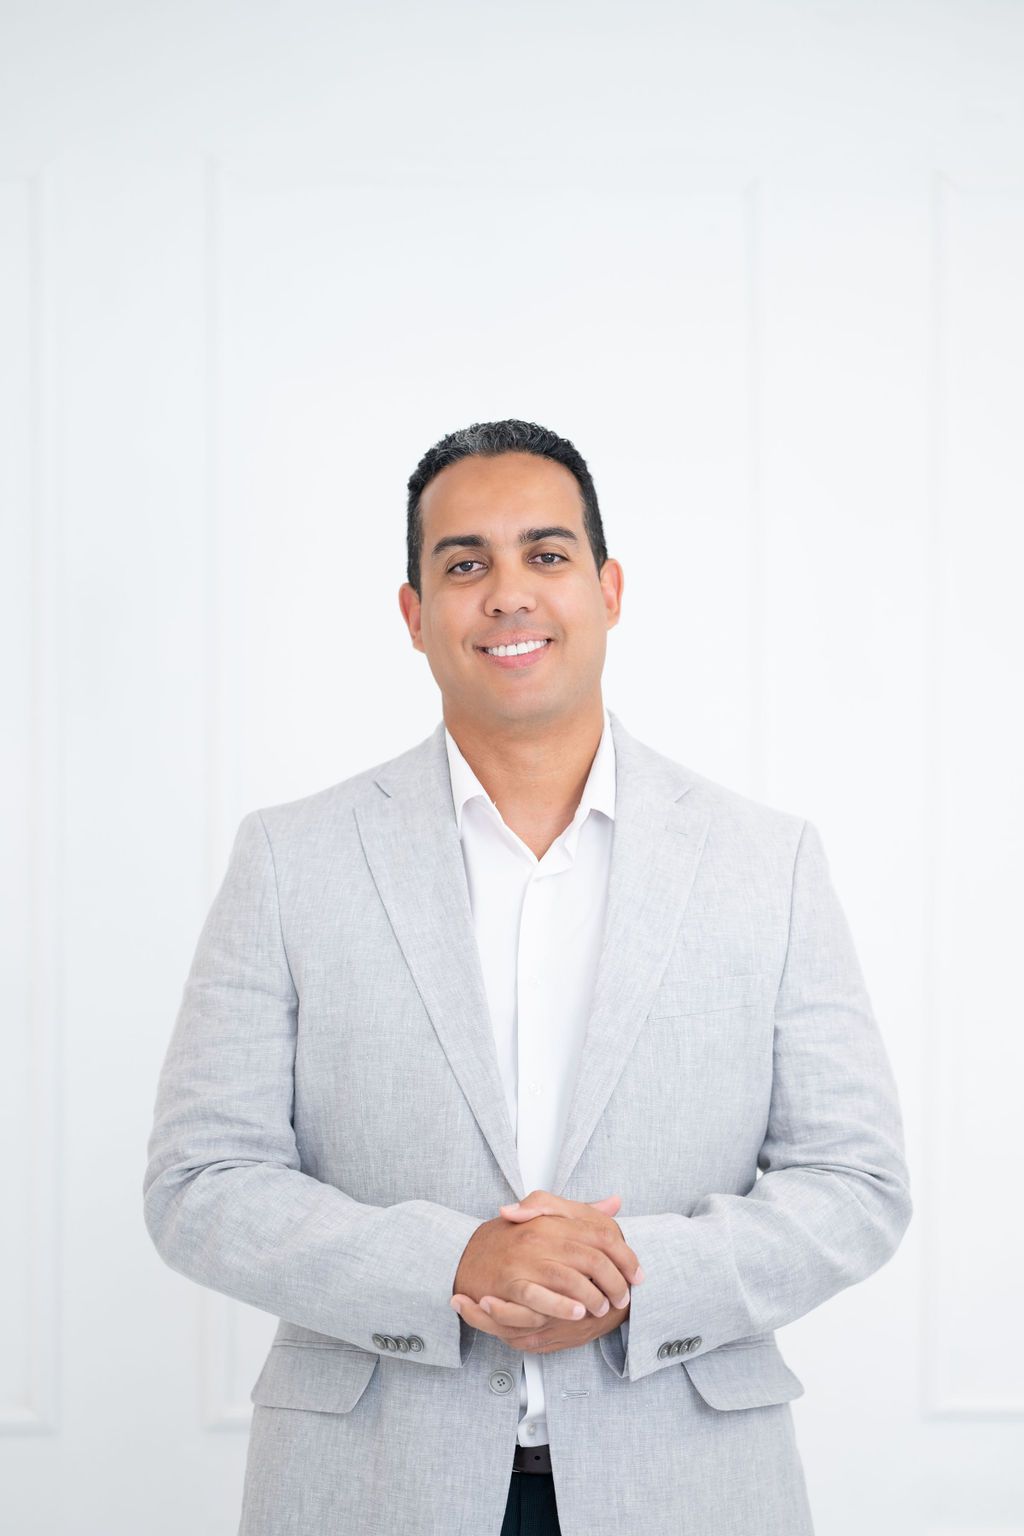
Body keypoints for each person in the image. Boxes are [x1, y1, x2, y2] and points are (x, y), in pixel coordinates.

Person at [143, 418, 912, 1536]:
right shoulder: (290, 859)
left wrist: (629, 1274)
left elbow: (855, 1183)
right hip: (367, 1487)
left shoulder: (765, 861)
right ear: (414, 614)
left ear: (605, 589)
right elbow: (199, 1184)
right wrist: (456, 1260)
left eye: (545, 556)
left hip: (688, 1481)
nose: (507, 593)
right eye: (465, 564)